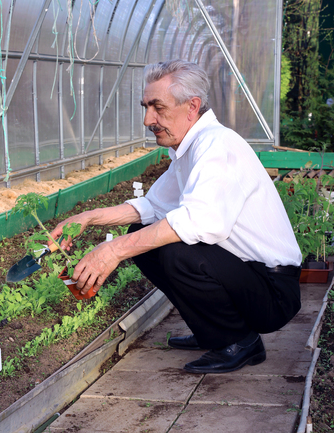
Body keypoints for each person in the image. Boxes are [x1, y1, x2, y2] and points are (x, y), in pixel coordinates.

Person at [50, 59, 302, 374]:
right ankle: (214, 332)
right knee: (144, 231)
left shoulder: (217, 147)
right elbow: (151, 208)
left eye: (157, 107)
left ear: (191, 106)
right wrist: (88, 218)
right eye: (145, 107)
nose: (147, 119)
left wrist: (114, 249)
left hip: (272, 292)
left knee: (174, 250)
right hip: (247, 278)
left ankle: (240, 341)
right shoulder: (191, 148)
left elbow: (199, 221)